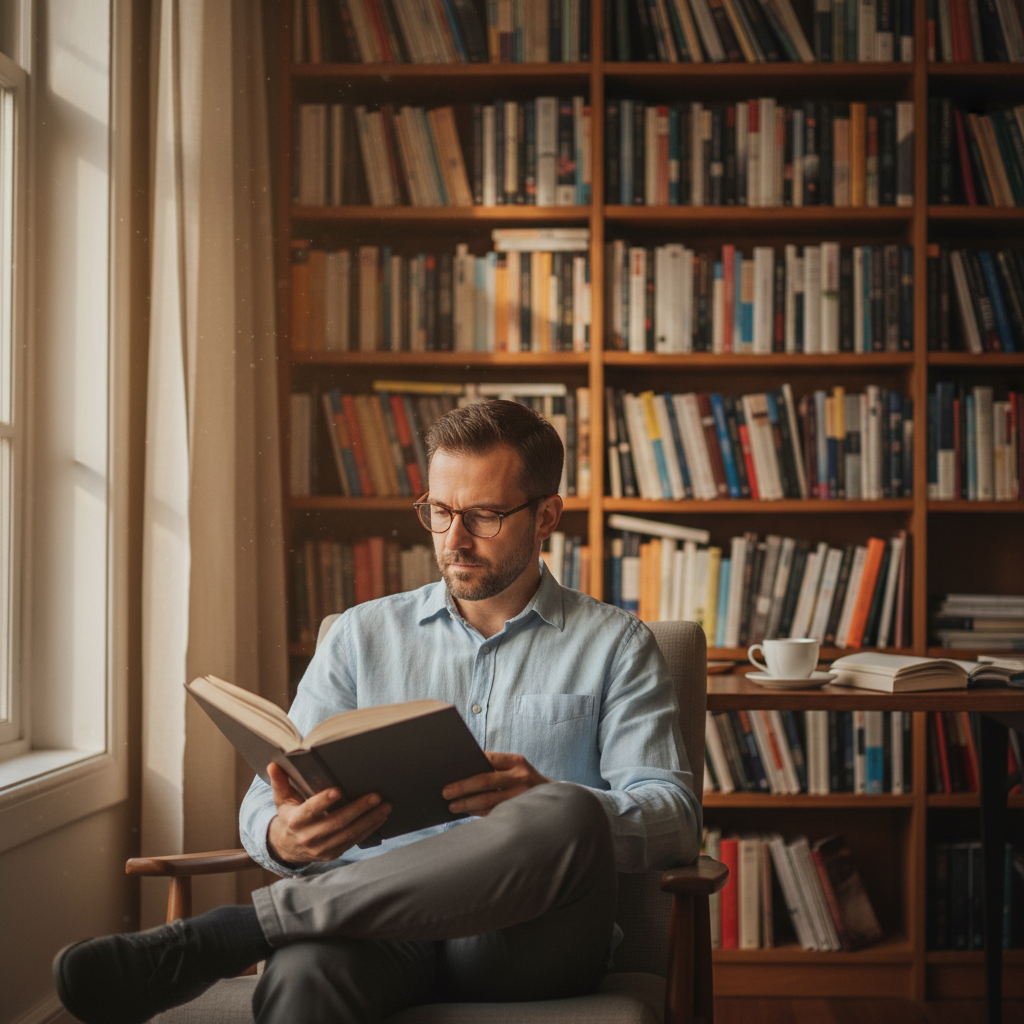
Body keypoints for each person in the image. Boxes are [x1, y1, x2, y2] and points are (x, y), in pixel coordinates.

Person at [53, 400, 701, 1024]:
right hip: (372, 929)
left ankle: (240, 930)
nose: (455, 539)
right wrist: (285, 835)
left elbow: (674, 817)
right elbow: (266, 797)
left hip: (526, 941)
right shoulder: (359, 636)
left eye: (483, 515)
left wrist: (548, 798)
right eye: (439, 512)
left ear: (546, 515)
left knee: (566, 809)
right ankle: (274, 927)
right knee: (304, 973)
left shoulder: (617, 644)